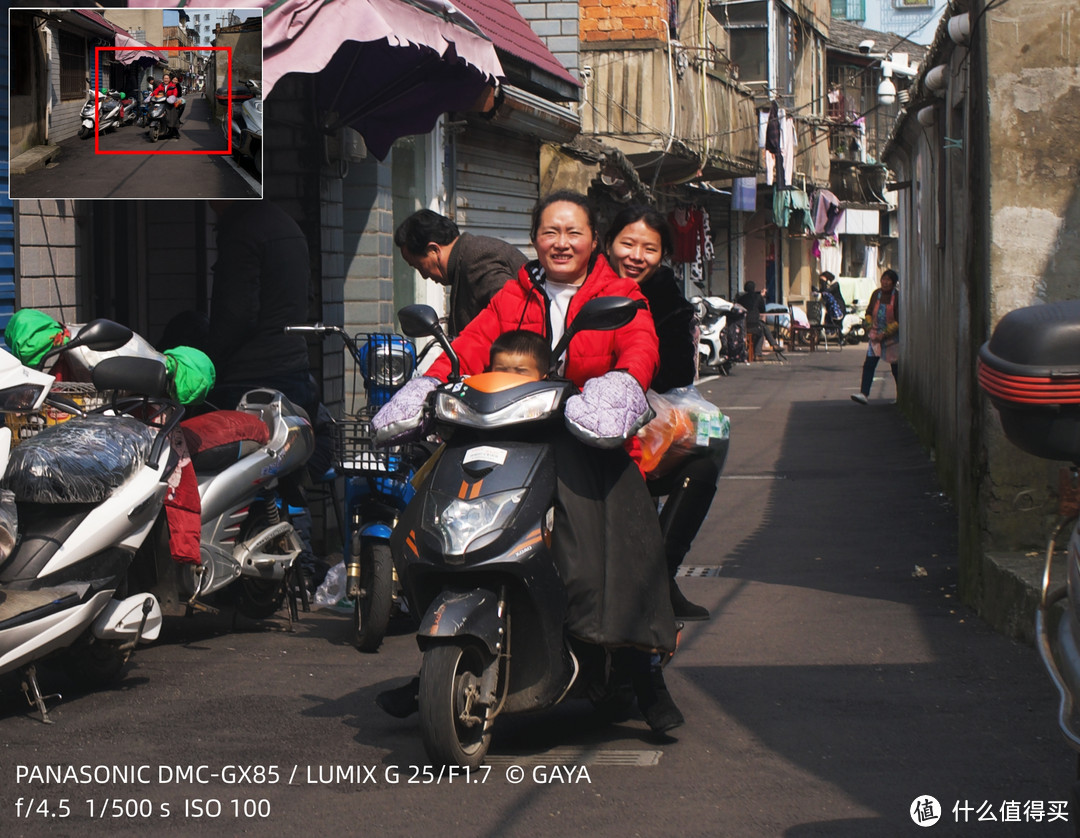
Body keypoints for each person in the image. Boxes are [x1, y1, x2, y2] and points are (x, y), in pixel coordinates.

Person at [375, 191, 684, 733]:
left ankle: (640, 669)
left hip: (591, 443)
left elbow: (640, 350)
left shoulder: (620, 295)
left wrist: (617, 389)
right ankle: (438, 655)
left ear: (594, 241)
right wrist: (423, 385)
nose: (561, 243)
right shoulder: (517, 293)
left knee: (603, 549)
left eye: (573, 233)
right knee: (431, 508)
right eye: (549, 233)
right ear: (535, 239)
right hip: (510, 434)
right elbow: (468, 348)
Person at [605, 206, 718, 621]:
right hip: (579, 421)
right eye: (628, 244)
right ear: (607, 242)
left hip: (643, 422)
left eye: (649, 248)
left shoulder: (670, 300)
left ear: (664, 255)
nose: (636, 256)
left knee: (707, 455)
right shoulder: (583, 284)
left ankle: (660, 576)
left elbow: (678, 372)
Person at [394, 210, 526, 338]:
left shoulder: (477, 260)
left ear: (434, 250)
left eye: (419, 266)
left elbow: (513, 320)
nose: (424, 275)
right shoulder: (464, 260)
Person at [851, 269, 900, 405]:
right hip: (875, 336)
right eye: (883, 279)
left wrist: (884, 333)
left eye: (888, 280)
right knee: (869, 364)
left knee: (896, 368)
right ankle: (864, 394)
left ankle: (901, 396)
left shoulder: (897, 297)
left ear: (894, 283)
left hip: (892, 338)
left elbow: (898, 320)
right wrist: (868, 324)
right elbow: (868, 312)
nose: (885, 282)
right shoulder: (876, 294)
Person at [735, 281, 785, 361]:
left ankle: (773, 345)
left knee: (762, 327)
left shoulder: (741, 299)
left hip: (742, 325)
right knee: (761, 331)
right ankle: (761, 352)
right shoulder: (758, 297)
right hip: (754, 325)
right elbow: (762, 309)